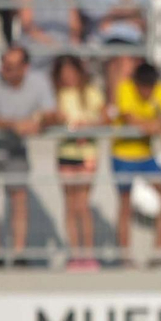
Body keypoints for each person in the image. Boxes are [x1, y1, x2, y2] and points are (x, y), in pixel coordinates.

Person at [0, 46, 55, 264]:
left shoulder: (38, 81)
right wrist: (14, 125)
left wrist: (38, 123)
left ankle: (19, 254)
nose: (5, 70)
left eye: (11, 66)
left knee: (19, 196)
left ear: (25, 67)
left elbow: (52, 114)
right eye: (4, 65)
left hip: (15, 148)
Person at [111, 61, 161, 255]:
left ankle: (159, 249)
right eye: (144, 88)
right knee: (125, 203)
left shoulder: (159, 89)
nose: (147, 93)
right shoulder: (125, 88)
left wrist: (156, 126)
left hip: (146, 155)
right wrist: (159, 128)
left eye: (150, 88)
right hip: (123, 155)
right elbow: (130, 119)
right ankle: (125, 253)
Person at [51, 54, 103, 267]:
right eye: (65, 74)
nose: (69, 77)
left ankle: (88, 252)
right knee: (70, 205)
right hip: (66, 153)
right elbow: (47, 117)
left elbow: (104, 118)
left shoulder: (90, 92)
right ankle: (75, 253)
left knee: (83, 205)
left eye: (71, 72)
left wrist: (86, 127)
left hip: (86, 154)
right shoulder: (56, 95)